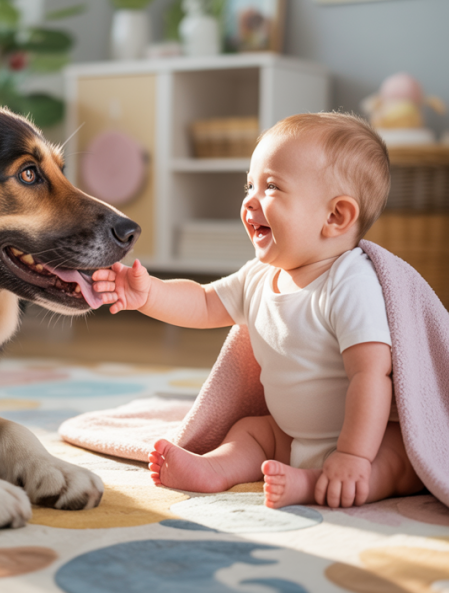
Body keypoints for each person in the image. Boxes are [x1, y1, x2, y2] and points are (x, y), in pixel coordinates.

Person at [90, 112, 424, 509]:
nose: (249, 200)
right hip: (288, 434)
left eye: (271, 187)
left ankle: (313, 483)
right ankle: (216, 468)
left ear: (335, 216)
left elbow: (371, 375)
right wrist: (149, 295)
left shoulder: (351, 282)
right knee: (249, 430)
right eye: (249, 185)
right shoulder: (261, 276)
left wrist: (351, 455)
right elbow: (204, 302)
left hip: (365, 437)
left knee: (397, 461)